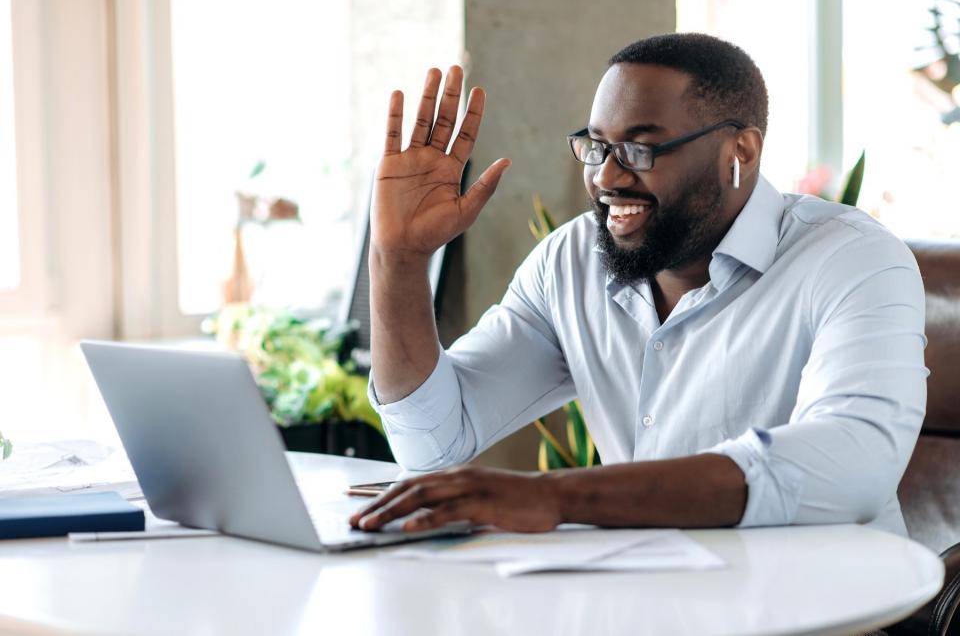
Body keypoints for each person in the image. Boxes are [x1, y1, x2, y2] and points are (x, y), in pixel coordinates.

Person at [349, 33, 927, 535]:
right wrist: (397, 259)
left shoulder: (853, 259)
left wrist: (556, 497)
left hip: (827, 612)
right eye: (596, 145)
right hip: (641, 598)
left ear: (740, 151)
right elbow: (434, 442)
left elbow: (854, 463)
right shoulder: (569, 262)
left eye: (640, 148)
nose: (606, 176)